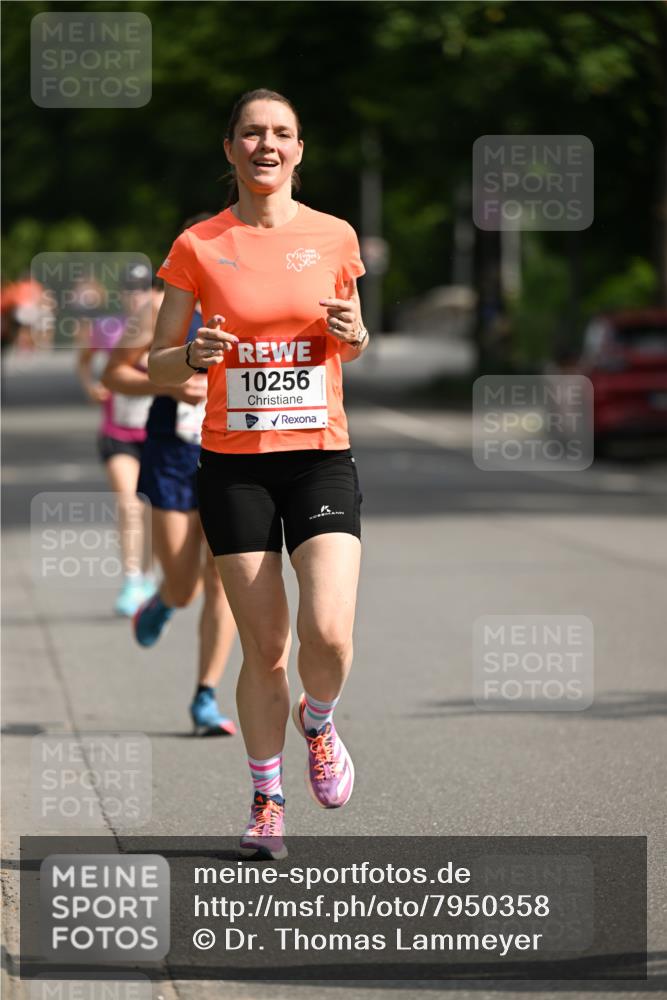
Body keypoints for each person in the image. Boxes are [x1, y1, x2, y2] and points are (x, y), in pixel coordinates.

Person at [148, 88, 369, 858]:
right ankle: (266, 799)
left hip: (317, 460)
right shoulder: (198, 245)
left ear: (298, 150)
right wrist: (194, 357)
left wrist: (356, 332)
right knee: (266, 647)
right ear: (230, 149)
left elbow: (350, 339)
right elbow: (157, 359)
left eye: (281, 134)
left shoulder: (336, 237)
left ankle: (321, 718)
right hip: (234, 467)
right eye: (252, 133)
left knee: (329, 633)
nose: (266, 145)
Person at [102, 245, 238, 737]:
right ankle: (162, 600)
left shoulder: (252, 299)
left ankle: (206, 694)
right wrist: (169, 385)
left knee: (223, 579)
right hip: (174, 453)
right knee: (184, 585)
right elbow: (113, 373)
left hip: (234, 452)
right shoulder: (161, 308)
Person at [77, 265, 155, 616]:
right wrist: (90, 386)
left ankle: (149, 574)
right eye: (130, 288)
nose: (135, 295)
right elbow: (85, 359)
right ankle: (132, 578)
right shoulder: (108, 329)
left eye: (142, 288)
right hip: (117, 433)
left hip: (158, 434)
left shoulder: (163, 325)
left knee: (153, 508)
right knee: (128, 503)